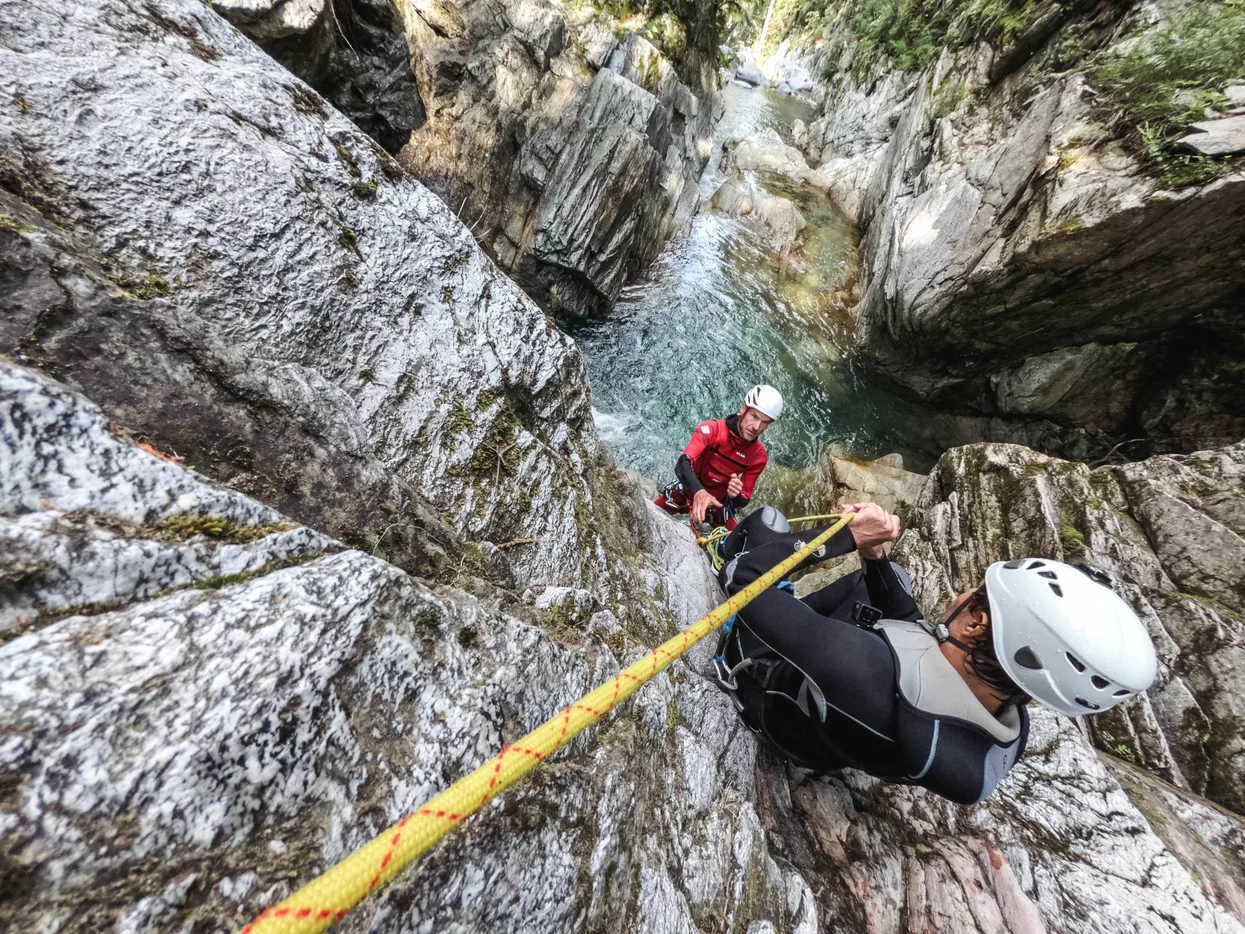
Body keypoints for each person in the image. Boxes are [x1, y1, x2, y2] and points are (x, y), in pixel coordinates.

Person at [712, 503, 1158, 805]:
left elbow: (744, 579)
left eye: (979, 592)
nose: (966, 591)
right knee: (892, 578)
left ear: (978, 624)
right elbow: (913, 628)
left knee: (767, 524)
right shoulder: (1005, 725)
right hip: (836, 727)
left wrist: (846, 537)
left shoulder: (860, 668)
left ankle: (723, 544)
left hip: (763, 686)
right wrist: (874, 553)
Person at [656, 384, 783, 531]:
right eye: (754, 417)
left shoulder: (758, 456)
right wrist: (699, 492)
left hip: (717, 505)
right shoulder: (712, 430)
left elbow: (743, 499)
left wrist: (735, 495)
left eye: (765, 422)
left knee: (735, 548)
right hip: (685, 491)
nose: (756, 427)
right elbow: (682, 463)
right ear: (743, 408)